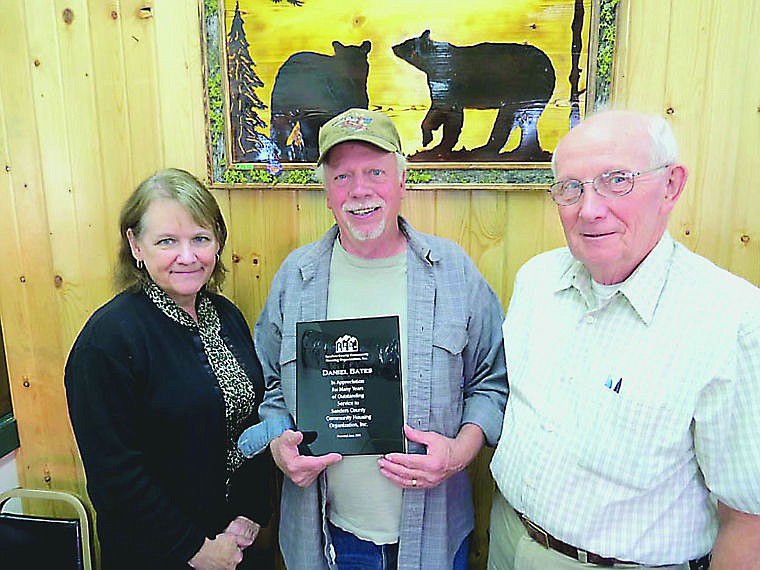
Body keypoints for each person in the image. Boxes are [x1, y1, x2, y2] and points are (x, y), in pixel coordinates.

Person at [488, 110, 760, 570]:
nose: (590, 208)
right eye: (571, 187)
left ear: (671, 186)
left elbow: (749, 520)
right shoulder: (535, 280)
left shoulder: (732, 321)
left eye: (617, 180)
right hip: (507, 539)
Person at [237, 108, 508, 569]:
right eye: (342, 176)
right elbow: (271, 386)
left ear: (402, 180)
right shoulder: (295, 279)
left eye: (375, 172)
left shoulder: (453, 271)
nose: (359, 190)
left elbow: (492, 381)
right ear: (325, 191)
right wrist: (281, 446)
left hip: (435, 532)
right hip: (330, 535)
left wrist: (459, 454)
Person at [65, 169, 273, 570]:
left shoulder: (226, 316)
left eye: (200, 238)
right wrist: (195, 549)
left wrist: (250, 513)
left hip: (237, 545)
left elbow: (252, 422)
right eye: (167, 241)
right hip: (160, 554)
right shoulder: (107, 342)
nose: (188, 255)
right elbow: (116, 477)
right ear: (135, 246)